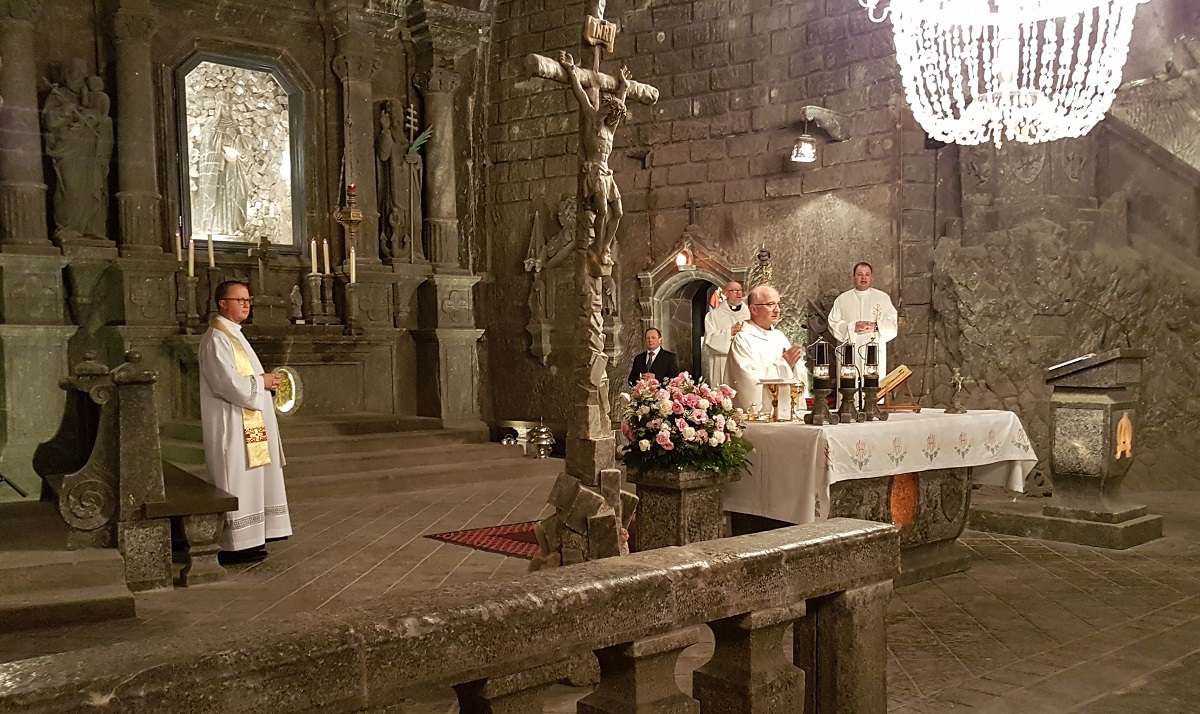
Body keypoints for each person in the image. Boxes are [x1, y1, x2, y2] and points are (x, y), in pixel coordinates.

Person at [199, 280, 292, 565]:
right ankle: (234, 545)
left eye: (248, 300)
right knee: (237, 480)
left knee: (253, 479)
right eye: (239, 300)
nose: (246, 304)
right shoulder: (217, 339)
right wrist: (261, 382)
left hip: (248, 424)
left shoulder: (234, 335)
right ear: (222, 303)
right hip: (232, 425)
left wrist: (268, 384)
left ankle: (252, 540)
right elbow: (227, 384)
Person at [726, 285, 808, 414]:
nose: (777, 310)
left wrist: (794, 366)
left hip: (786, 412)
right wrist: (783, 365)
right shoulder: (743, 339)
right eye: (770, 304)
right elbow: (748, 381)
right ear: (754, 309)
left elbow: (795, 372)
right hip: (759, 417)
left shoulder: (779, 336)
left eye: (778, 304)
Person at [827, 262, 899, 379]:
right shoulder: (842, 299)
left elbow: (893, 325)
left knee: (873, 385)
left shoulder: (883, 298)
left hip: (874, 352)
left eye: (867, 274)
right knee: (849, 385)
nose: (863, 277)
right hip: (849, 353)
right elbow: (832, 323)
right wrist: (851, 327)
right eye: (859, 274)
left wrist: (876, 326)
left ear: (871, 277)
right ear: (853, 277)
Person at [702, 281, 750, 386]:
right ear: (726, 293)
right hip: (723, 361)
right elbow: (709, 341)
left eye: (740, 290)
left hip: (746, 361)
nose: (739, 293)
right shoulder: (714, 315)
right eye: (734, 290)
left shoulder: (750, 313)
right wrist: (729, 333)